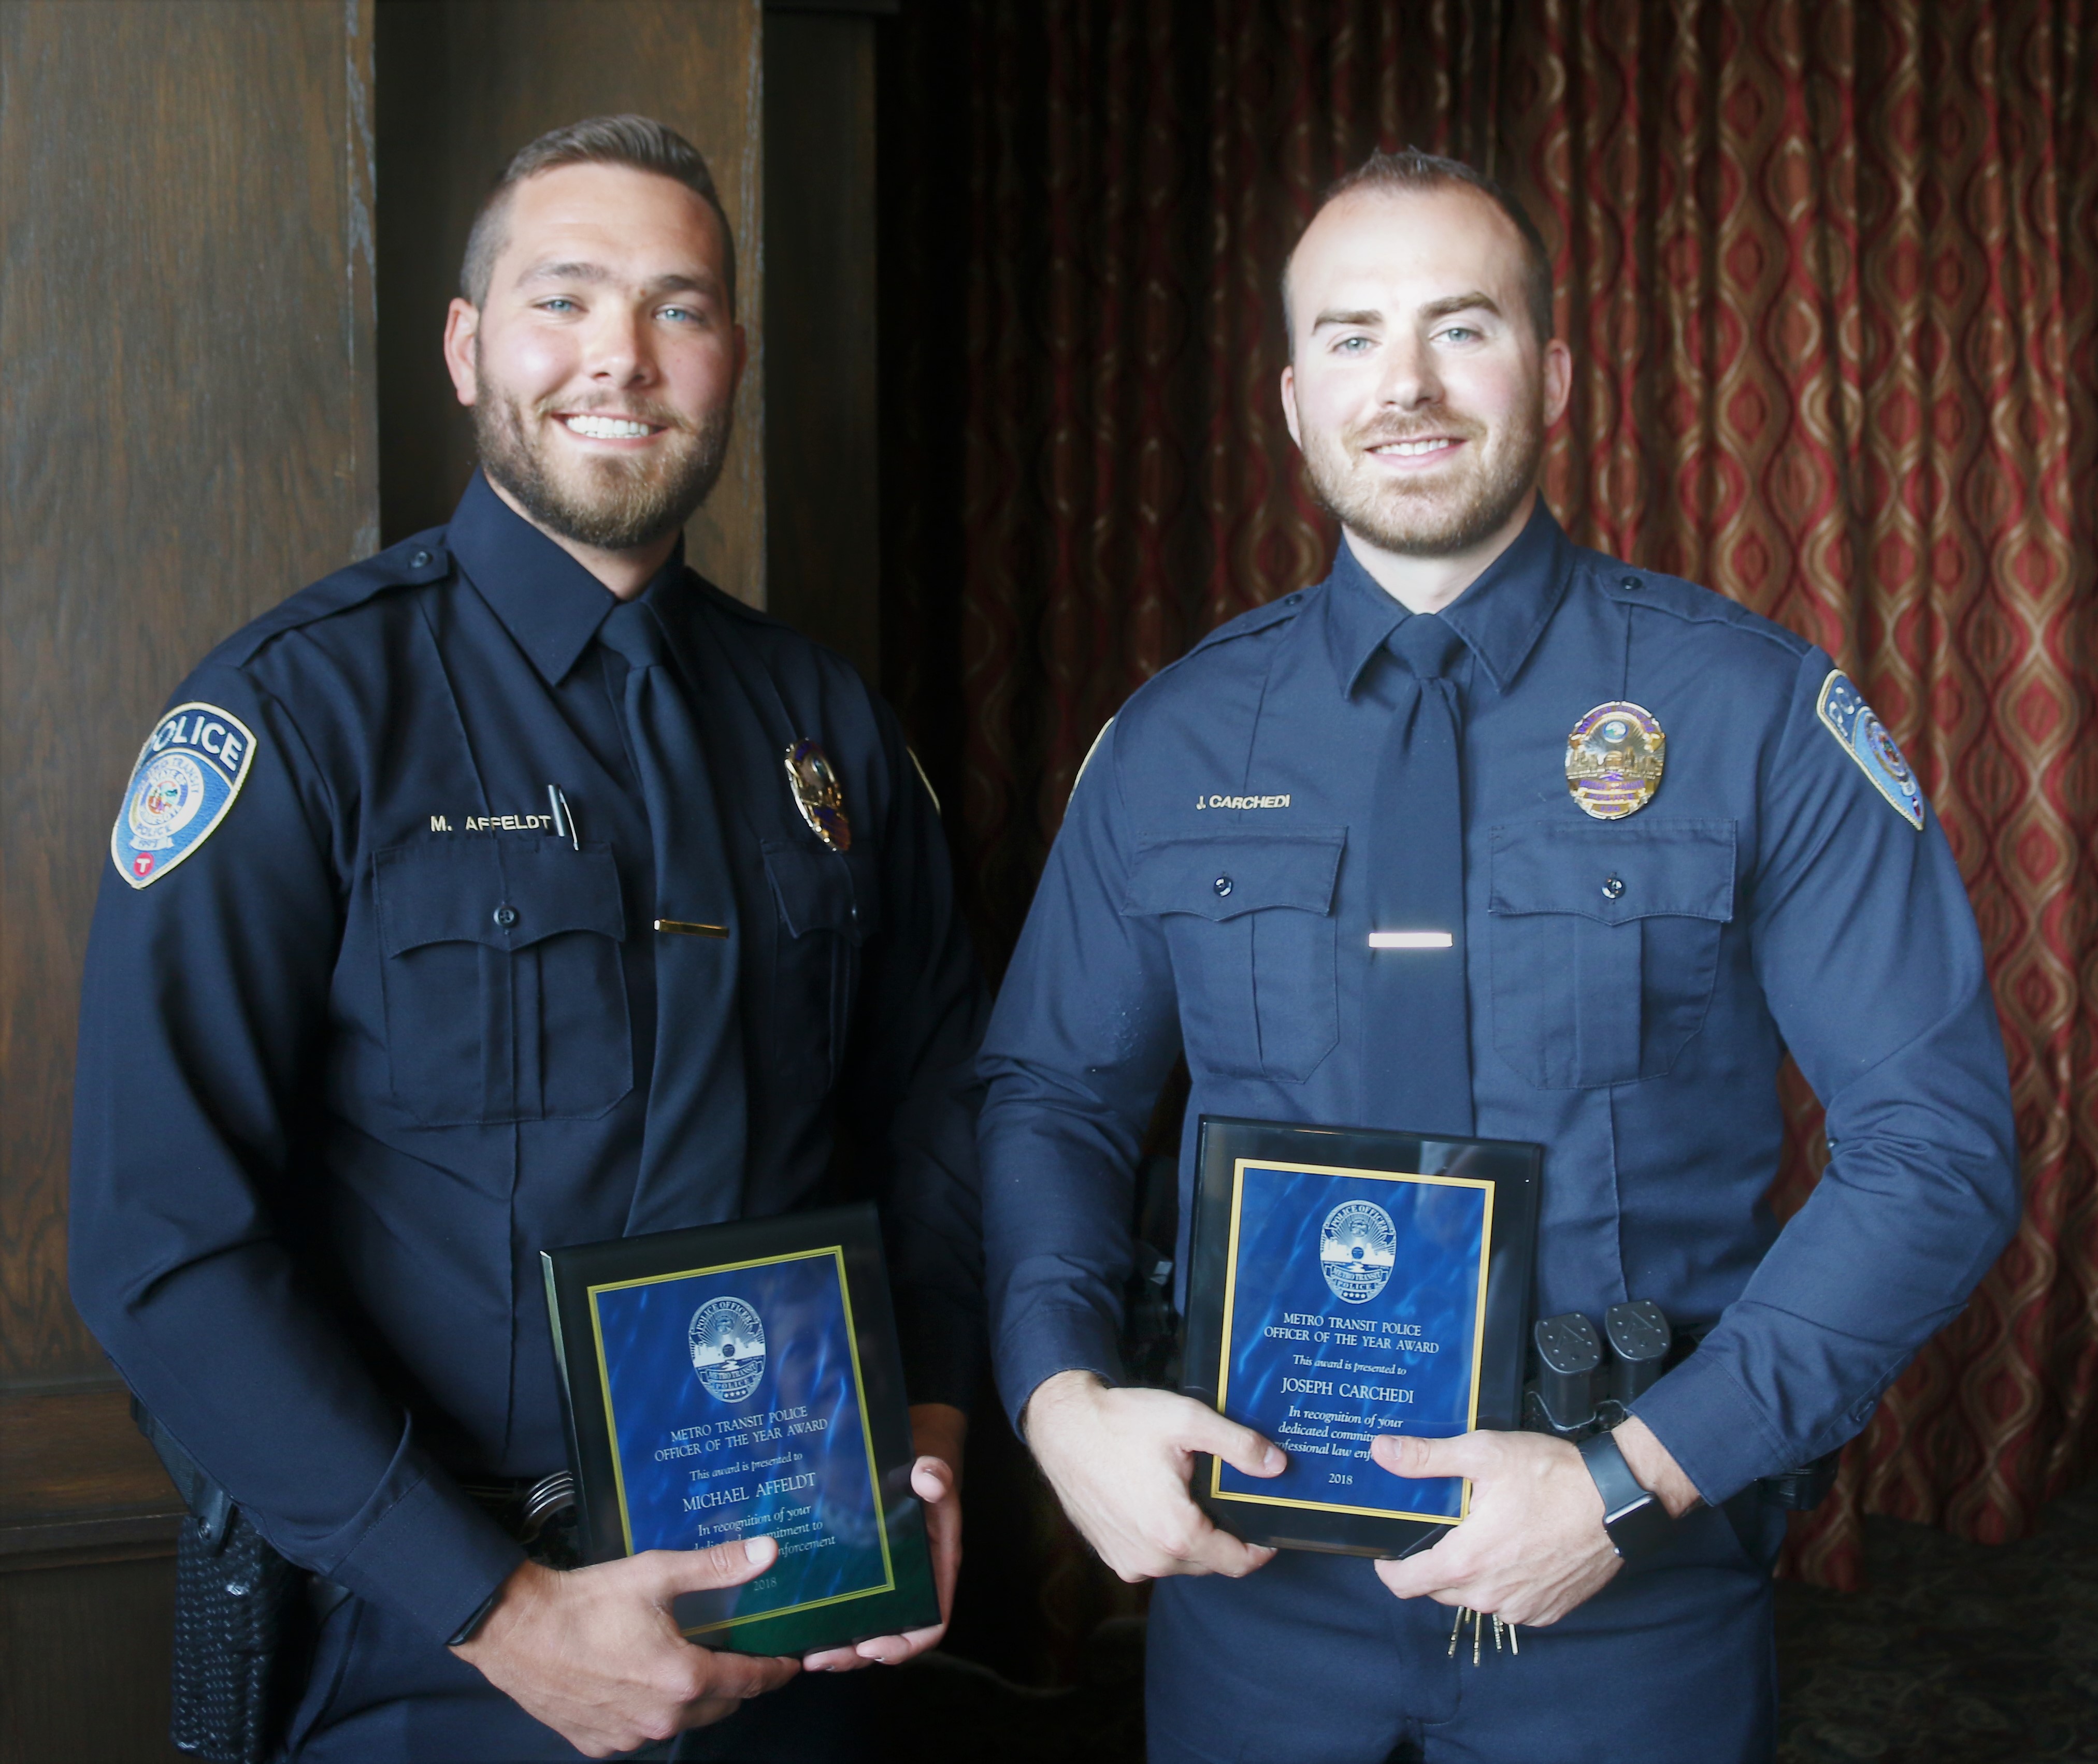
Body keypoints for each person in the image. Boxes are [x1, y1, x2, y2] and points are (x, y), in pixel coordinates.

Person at [979, 149, 2018, 1762]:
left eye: (1459, 327)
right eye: (1349, 337)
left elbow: (1933, 1148)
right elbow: (1050, 1097)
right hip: (1255, 1589)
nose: (1402, 384)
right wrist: (1055, 1398)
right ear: (1290, 398)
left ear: (1553, 371)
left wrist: (1637, 1474)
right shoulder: (1173, 741)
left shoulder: (1750, 717)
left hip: (1626, 1581)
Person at [69, 115, 986, 1762]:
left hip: (806, 1620)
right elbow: (164, 1240)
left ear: (731, 359)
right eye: (563, 299)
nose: (619, 360)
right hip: (439, 1641)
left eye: (678, 308)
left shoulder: (826, 728)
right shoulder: (293, 720)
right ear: (465, 342)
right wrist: (500, 1611)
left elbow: (936, 1117)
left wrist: (923, 1441)